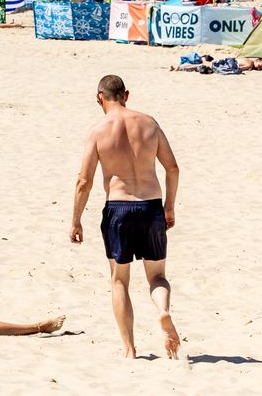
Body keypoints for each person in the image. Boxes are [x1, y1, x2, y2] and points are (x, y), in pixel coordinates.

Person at [70, 75, 181, 359]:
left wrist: (76, 220)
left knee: (120, 280)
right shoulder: (149, 123)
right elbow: (173, 169)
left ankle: (129, 349)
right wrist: (169, 206)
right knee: (157, 276)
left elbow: (85, 181)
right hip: (151, 206)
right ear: (126, 95)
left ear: (99, 98)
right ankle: (163, 311)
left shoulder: (97, 131)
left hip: (118, 210)